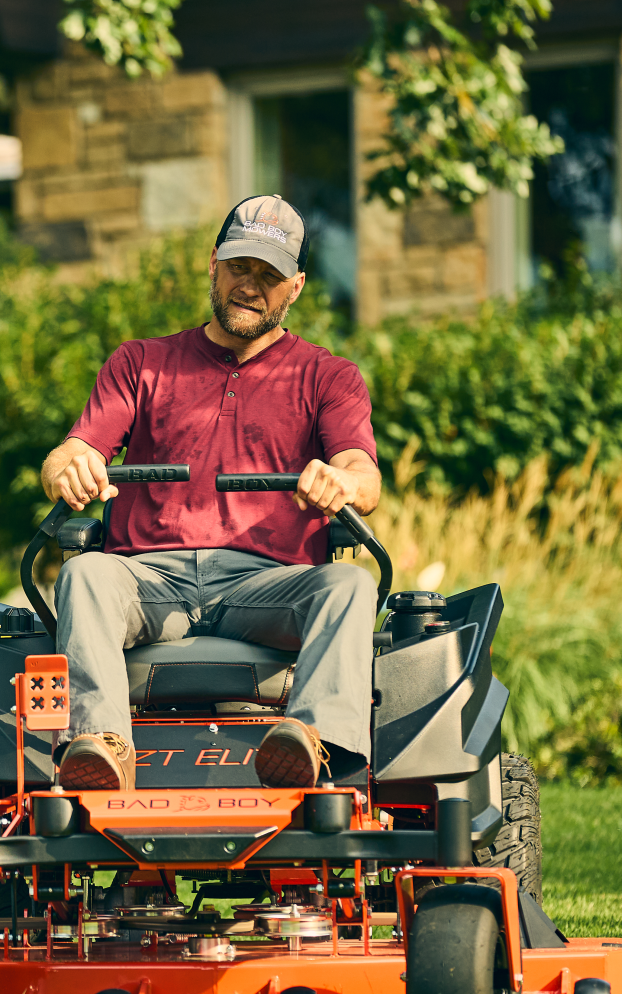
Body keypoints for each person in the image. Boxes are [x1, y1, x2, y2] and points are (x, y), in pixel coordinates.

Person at [39, 194, 381, 792]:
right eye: (240, 267)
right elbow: (78, 450)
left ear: (295, 287)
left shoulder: (329, 376)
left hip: (267, 585)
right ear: (213, 264)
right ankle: (101, 750)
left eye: (270, 275)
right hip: (147, 578)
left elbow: (361, 471)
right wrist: (69, 465)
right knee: (84, 574)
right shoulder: (141, 363)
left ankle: (312, 747)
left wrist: (342, 480)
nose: (251, 286)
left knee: (350, 582)